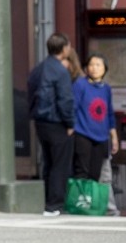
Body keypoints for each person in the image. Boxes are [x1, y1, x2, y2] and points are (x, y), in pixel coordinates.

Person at [28, 32, 76, 216]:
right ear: (64, 49)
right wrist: (70, 122)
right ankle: (55, 203)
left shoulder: (38, 69)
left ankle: (48, 202)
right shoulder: (61, 71)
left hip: (40, 122)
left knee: (48, 162)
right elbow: (65, 100)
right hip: (57, 122)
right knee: (60, 164)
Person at [72, 53, 118, 182]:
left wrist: (114, 136)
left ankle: (90, 201)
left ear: (104, 69)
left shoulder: (106, 89)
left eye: (98, 65)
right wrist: (71, 127)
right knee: (81, 172)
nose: (94, 68)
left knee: (95, 174)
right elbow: (72, 107)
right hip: (83, 134)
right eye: (91, 65)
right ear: (86, 68)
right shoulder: (80, 85)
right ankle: (81, 201)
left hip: (102, 137)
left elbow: (109, 113)